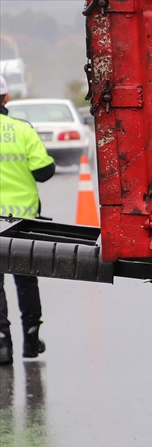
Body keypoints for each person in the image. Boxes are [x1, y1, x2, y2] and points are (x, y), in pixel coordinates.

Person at [0, 73, 54, 365]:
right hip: (22, 220)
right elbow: (44, 171)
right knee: (25, 279)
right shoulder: (22, 130)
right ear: (6, 98)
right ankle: (31, 340)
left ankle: (1, 345)